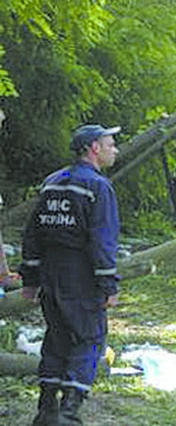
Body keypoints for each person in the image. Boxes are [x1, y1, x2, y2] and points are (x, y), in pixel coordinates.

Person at [20, 123, 121, 426]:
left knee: (57, 338)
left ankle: (46, 409)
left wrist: (31, 277)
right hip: (82, 275)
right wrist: (108, 284)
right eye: (110, 144)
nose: (115, 149)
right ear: (94, 149)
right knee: (90, 339)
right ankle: (68, 412)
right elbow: (102, 240)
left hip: (51, 274)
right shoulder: (98, 187)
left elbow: (32, 234)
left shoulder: (52, 182)